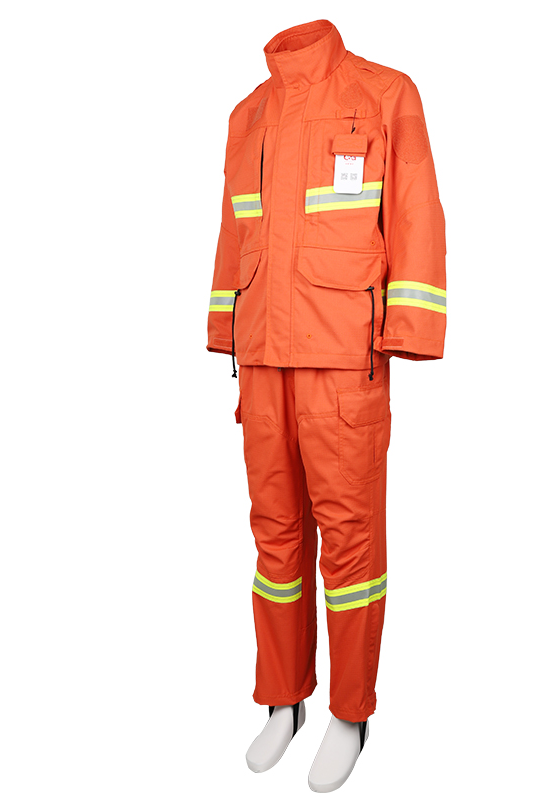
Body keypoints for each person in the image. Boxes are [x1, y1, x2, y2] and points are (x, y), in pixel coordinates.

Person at [206, 19, 446, 792]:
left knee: (349, 545)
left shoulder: (384, 94)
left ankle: (350, 712)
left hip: (343, 360)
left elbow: (415, 211)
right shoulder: (248, 113)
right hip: (262, 361)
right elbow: (235, 233)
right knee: (274, 540)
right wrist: (224, 327)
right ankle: (283, 699)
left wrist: (409, 328)